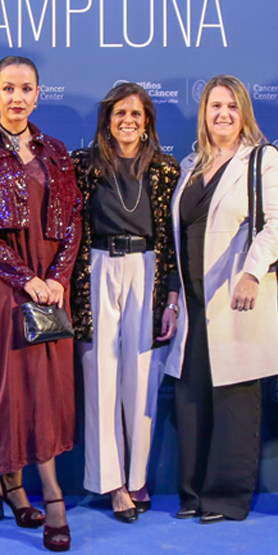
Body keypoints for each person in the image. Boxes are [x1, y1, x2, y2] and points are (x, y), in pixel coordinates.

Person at [0, 55, 82, 552]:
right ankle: (43, 494)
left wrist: (56, 278)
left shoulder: (56, 151)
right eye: (7, 88)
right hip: (7, 284)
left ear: (37, 94)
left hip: (52, 286)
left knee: (48, 388)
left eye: (25, 88)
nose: (17, 97)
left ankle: (17, 486)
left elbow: (74, 220)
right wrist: (26, 278)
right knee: (13, 388)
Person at [165, 75, 278, 523]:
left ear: (244, 114)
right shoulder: (190, 165)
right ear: (204, 113)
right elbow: (177, 237)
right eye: (215, 106)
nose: (223, 114)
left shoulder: (262, 158)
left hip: (236, 296)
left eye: (232, 107)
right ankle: (192, 494)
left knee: (234, 400)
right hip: (194, 302)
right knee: (192, 401)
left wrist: (252, 273)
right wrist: (174, 298)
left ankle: (225, 499)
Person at [70, 83, 181, 522]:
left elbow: (172, 239)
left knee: (142, 379)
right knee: (100, 377)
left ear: (147, 121)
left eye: (136, 114)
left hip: (147, 268)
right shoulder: (83, 165)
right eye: (120, 113)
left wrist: (171, 296)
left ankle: (137, 479)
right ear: (107, 120)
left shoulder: (165, 169)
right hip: (97, 267)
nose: (128, 121)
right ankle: (112, 483)